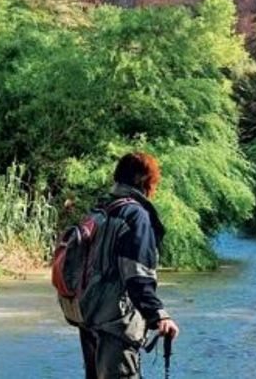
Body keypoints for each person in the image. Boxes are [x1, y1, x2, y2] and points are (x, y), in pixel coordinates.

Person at [79, 152, 179, 379]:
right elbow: (137, 275)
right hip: (116, 324)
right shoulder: (135, 215)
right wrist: (159, 315)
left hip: (89, 317)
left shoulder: (101, 210)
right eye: (154, 181)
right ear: (144, 180)